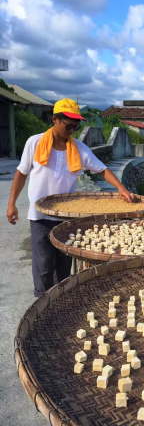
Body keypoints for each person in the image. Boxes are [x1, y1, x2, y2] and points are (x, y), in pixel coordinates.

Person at [6, 98, 133, 297]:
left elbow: (102, 169)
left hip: (66, 219)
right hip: (39, 217)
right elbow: (21, 173)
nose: (72, 129)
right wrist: (12, 203)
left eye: (76, 125)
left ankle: (59, 305)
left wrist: (121, 188)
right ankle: (41, 306)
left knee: (63, 269)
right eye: (69, 124)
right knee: (43, 268)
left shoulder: (80, 150)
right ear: (55, 119)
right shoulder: (35, 142)